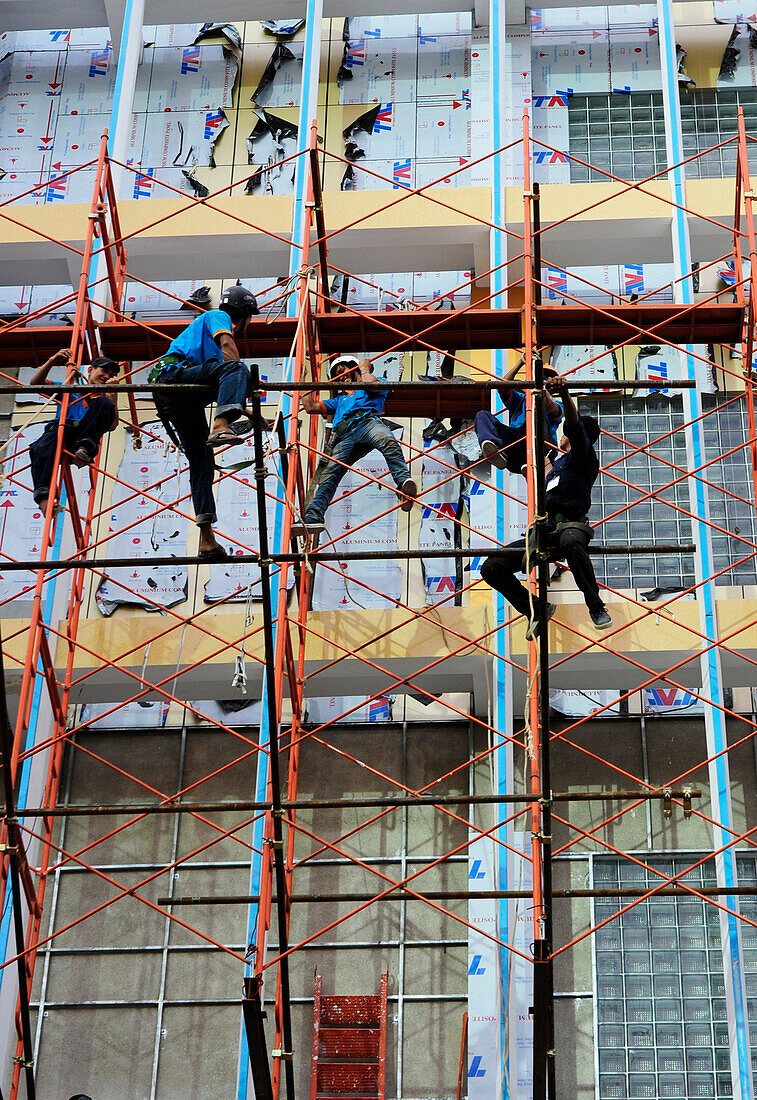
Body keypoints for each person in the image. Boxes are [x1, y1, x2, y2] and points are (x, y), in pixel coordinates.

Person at [480, 376, 612, 637]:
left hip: (570, 526)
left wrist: (564, 394)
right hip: (544, 529)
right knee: (491, 568)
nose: (561, 435)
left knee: (572, 543)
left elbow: (574, 424)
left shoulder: (582, 457)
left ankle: (596, 607)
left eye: (564, 432)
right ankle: (537, 609)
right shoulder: (555, 466)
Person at [151, 284, 259, 561]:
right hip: (175, 377)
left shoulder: (207, 347)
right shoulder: (219, 317)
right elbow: (228, 350)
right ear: (243, 313)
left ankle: (206, 538)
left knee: (201, 461)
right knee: (236, 367)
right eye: (250, 317)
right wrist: (240, 376)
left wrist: (249, 413)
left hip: (176, 395)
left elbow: (218, 380)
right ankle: (220, 425)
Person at [296, 354, 417, 535]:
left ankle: (403, 485)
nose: (341, 376)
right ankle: (313, 516)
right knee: (330, 474)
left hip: (367, 422)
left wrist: (365, 369)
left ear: (353, 367)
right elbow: (311, 407)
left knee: (388, 441)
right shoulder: (340, 400)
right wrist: (301, 382)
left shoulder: (375, 381)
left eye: (342, 370)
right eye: (337, 374)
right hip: (344, 436)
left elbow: (372, 386)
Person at [29, 349, 119, 518]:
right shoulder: (71, 388)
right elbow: (35, 383)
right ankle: (45, 502)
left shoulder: (103, 400)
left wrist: (113, 396)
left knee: (104, 403)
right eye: (104, 371)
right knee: (40, 447)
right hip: (59, 432)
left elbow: (112, 425)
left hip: (82, 439)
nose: (107, 376)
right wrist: (52, 360)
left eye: (111, 374)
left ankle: (84, 448)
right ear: (91, 370)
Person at [475, 349, 563, 475]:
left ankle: (532, 464)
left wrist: (540, 386)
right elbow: (503, 386)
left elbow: (552, 409)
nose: (544, 379)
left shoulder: (557, 404)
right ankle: (494, 450)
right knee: (482, 416)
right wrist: (521, 362)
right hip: (515, 446)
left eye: (547, 378)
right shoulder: (521, 399)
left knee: (536, 417)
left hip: (542, 448)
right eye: (541, 376)